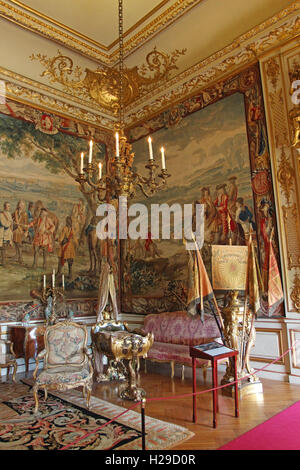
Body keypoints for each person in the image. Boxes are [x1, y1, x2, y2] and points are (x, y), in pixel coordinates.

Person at [12, 200, 28, 265]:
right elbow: (11, 217)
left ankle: (20, 258)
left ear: (24, 206)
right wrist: (12, 222)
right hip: (15, 230)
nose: (21, 206)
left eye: (22, 205)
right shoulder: (15, 212)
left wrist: (26, 231)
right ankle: (17, 255)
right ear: (18, 205)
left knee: (19, 244)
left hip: (20, 230)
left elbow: (26, 223)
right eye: (20, 204)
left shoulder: (24, 214)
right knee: (15, 242)